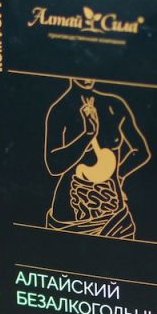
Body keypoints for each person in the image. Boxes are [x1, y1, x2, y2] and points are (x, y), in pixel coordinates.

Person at [44, 78, 150, 239]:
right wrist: (87, 135)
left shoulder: (114, 105)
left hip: (115, 216)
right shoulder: (60, 109)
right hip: (69, 219)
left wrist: (118, 175)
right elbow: (53, 165)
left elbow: (141, 151)